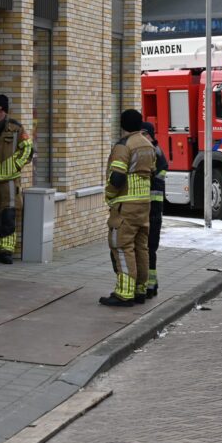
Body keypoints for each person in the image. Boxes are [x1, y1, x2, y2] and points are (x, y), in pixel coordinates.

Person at [101, 109, 156, 307]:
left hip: (125, 206)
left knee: (122, 247)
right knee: (141, 248)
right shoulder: (148, 145)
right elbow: (152, 171)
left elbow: (117, 177)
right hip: (144, 206)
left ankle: (124, 293)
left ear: (122, 125)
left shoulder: (123, 146)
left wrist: (109, 195)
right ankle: (140, 290)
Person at [0, 94, 33, 264]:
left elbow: (28, 149)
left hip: (10, 181)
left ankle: (7, 251)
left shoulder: (16, 128)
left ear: (6, 112)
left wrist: (16, 165)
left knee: (9, 215)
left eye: (1, 110)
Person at [141, 121, 168, 298]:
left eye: (144, 134)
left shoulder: (153, 153)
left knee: (149, 248)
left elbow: (154, 179)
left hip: (152, 209)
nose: (142, 138)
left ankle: (150, 285)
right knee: (149, 248)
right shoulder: (155, 151)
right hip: (152, 208)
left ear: (150, 135)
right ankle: (151, 284)